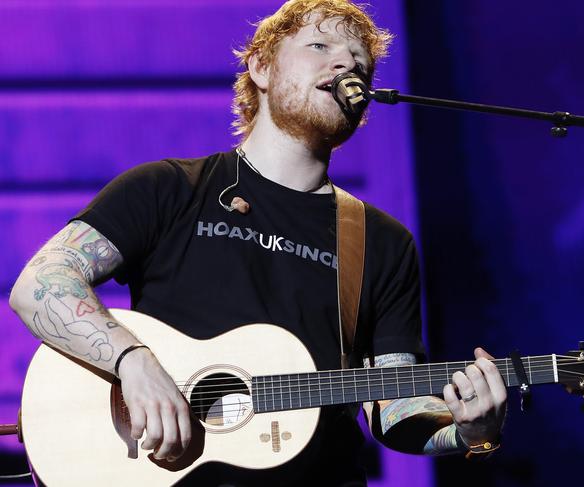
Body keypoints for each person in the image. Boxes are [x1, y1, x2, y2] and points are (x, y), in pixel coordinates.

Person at [9, 0, 506, 485]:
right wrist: (133, 362)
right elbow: (40, 283)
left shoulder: (383, 241)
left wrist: (468, 433)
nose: (345, 64)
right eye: (319, 45)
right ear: (261, 68)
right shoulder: (170, 188)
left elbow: (395, 408)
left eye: (359, 63)